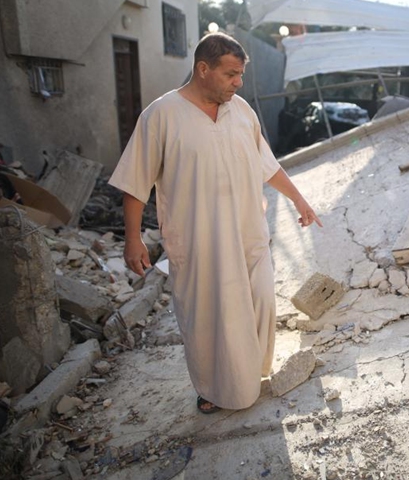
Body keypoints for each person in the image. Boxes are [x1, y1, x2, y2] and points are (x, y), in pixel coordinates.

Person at [109, 32, 322, 414]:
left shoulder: (241, 111)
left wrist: (298, 199)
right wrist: (133, 238)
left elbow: (266, 165)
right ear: (202, 69)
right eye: (230, 74)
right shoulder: (161, 115)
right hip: (199, 241)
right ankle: (214, 389)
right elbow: (134, 182)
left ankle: (250, 375)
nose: (238, 83)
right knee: (210, 319)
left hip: (248, 233)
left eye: (240, 75)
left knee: (260, 305)